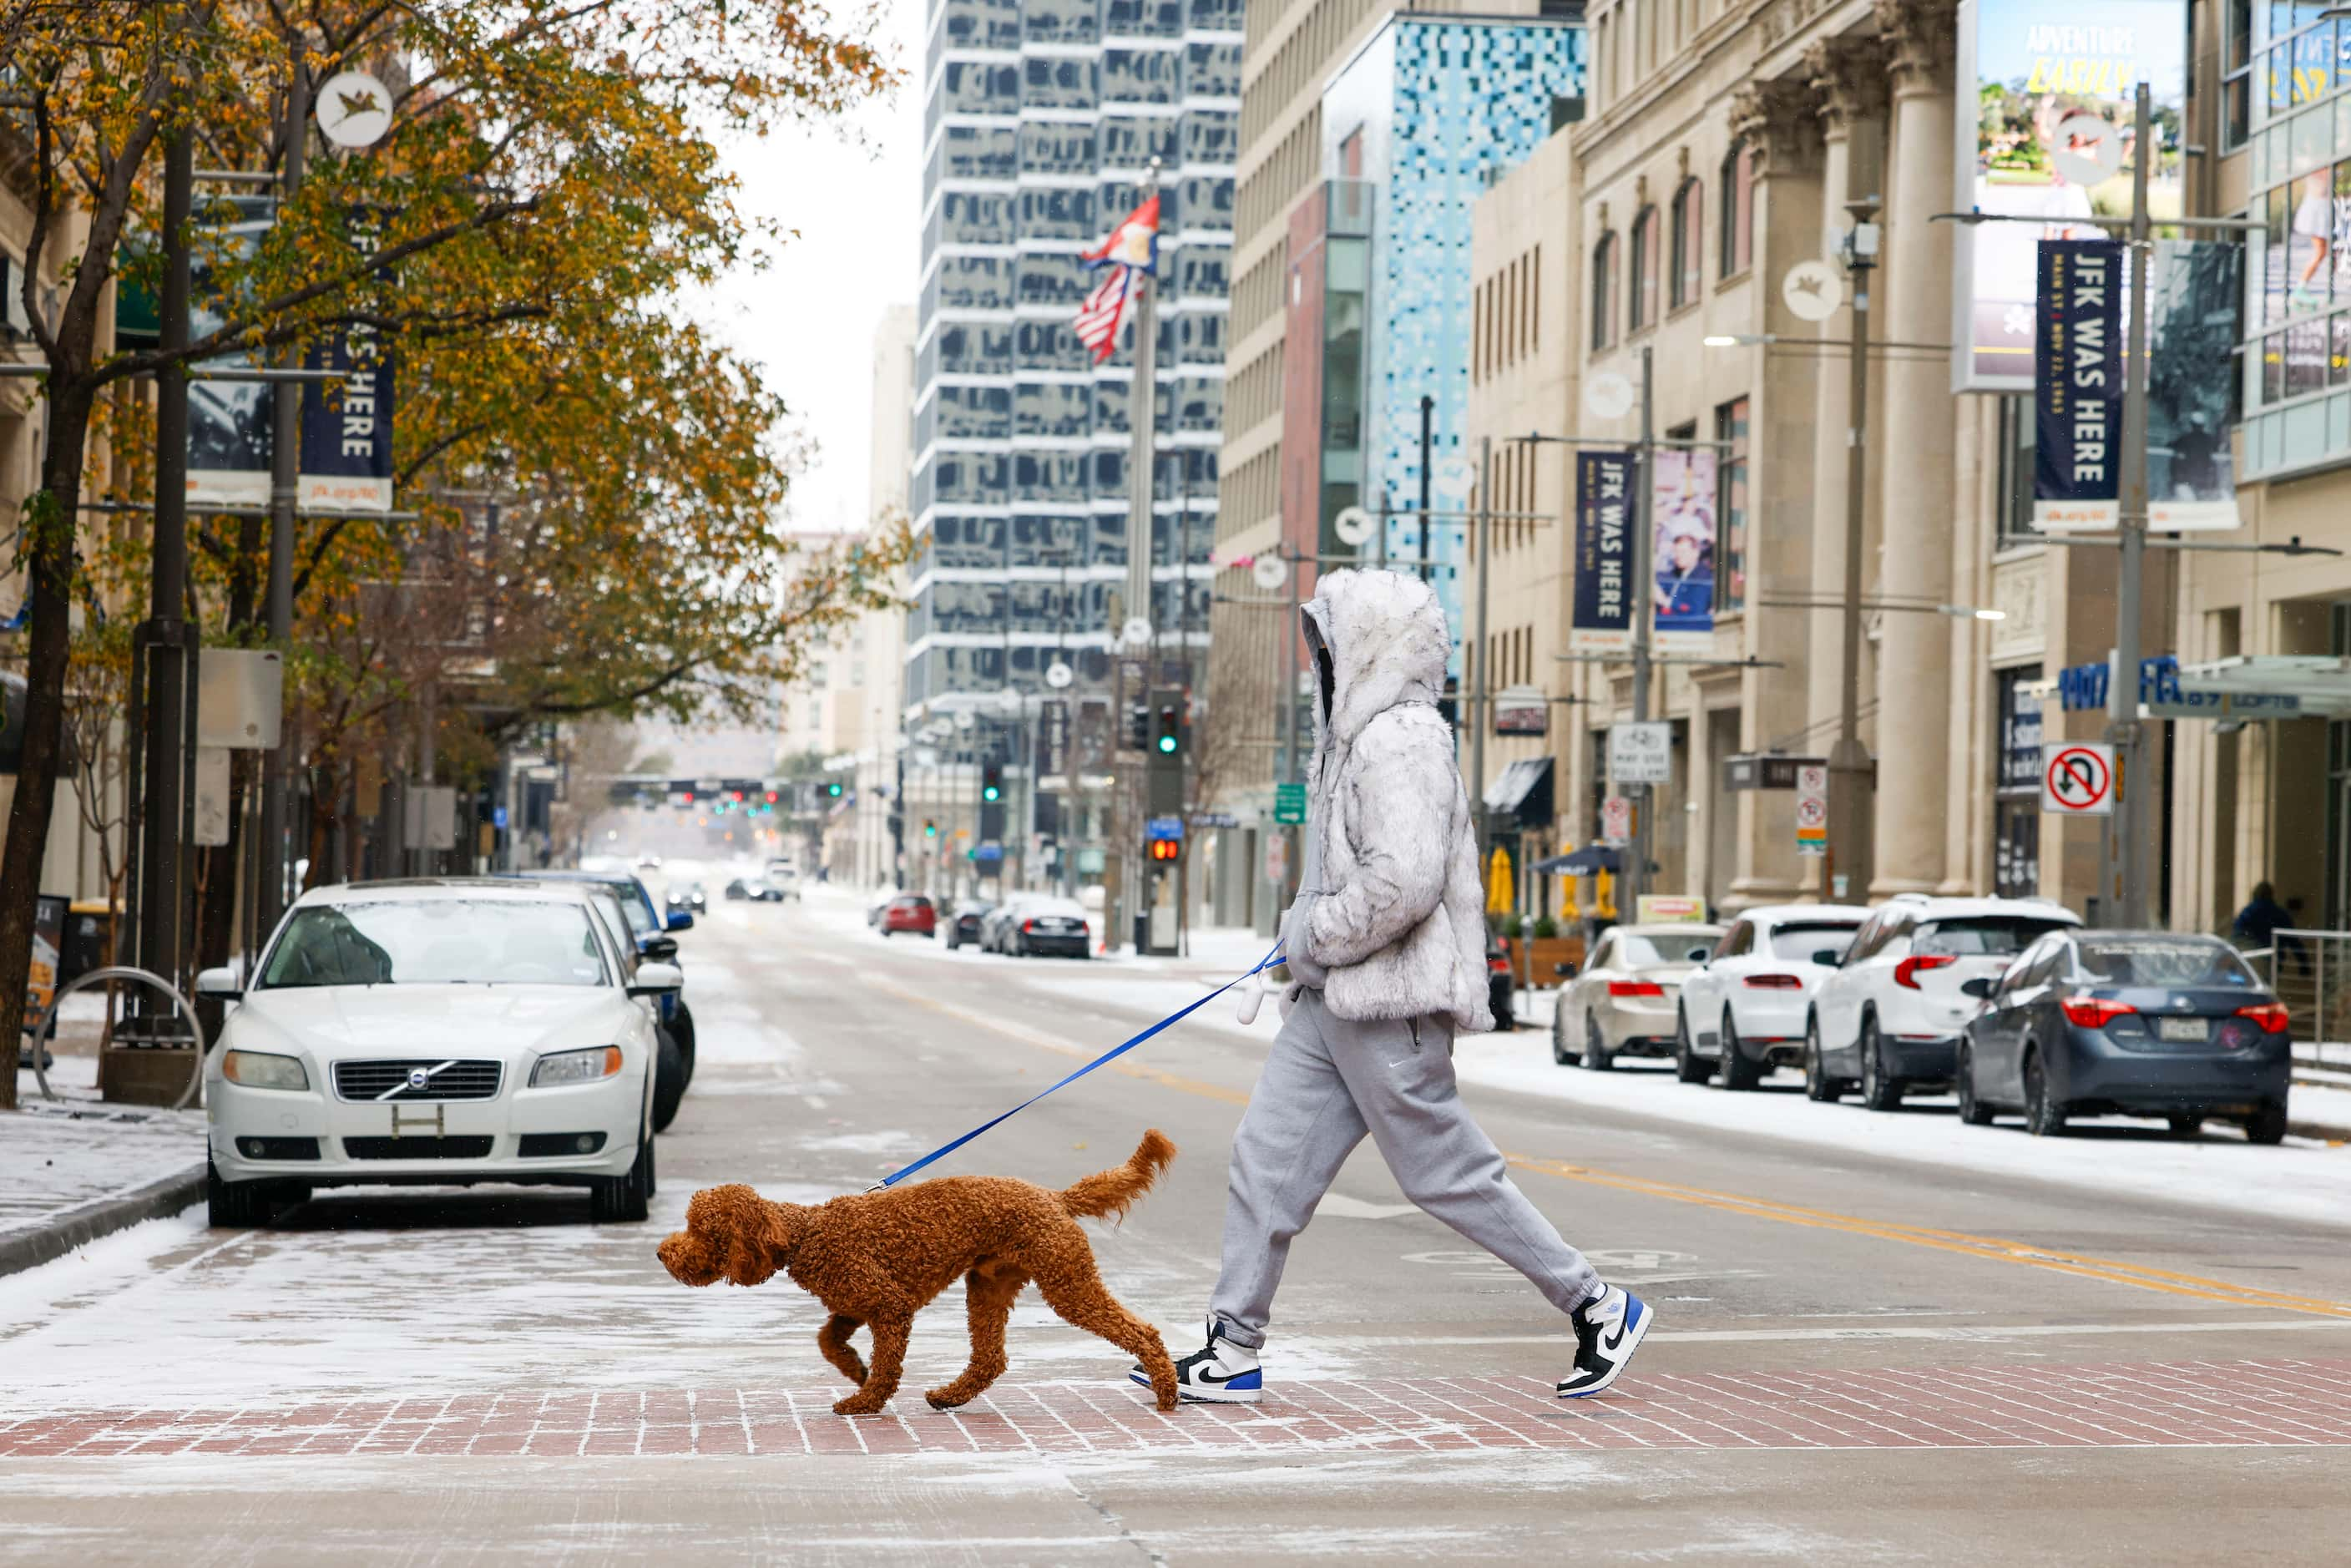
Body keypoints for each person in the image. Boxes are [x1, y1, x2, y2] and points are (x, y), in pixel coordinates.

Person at [1134, 569, 1651, 1405]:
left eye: (1331, 642)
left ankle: (1595, 1304)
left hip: (1390, 1003)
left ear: (1371, 644)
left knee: (1444, 1174)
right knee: (1263, 1163)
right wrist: (1296, 947)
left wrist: (1310, 935)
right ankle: (1232, 1347)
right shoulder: (1349, 742)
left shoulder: (1401, 739)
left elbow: (1402, 884)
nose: (1320, 660)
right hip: (1330, 1002)